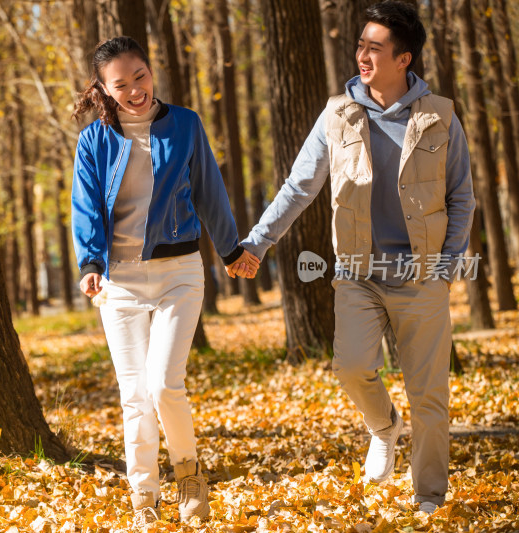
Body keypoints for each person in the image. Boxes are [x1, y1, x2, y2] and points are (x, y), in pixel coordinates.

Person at [234, 0, 475, 515]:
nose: (362, 55)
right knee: (350, 367)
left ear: (404, 58)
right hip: (358, 274)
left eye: (375, 47)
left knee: (429, 398)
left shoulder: (441, 116)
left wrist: (447, 266)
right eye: (360, 44)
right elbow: (300, 187)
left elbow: (462, 198)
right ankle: (383, 426)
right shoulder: (336, 115)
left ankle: (429, 495)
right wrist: (256, 242)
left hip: (420, 274)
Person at [70, 36, 259, 527]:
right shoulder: (93, 141)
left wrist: (232, 249)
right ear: (105, 90)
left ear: (150, 71)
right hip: (120, 282)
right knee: (134, 394)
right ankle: (144, 499)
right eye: (121, 84)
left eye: (140, 76)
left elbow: (210, 191)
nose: (135, 90)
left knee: (163, 384)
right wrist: (90, 264)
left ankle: (190, 478)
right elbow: (86, 206)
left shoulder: (186, 125)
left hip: (179, 272)